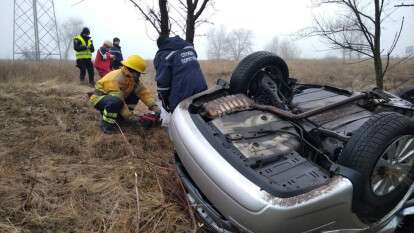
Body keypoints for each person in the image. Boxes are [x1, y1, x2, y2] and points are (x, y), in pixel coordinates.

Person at [89, 55, 161, 134]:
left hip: (115, 99)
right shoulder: (115, 79)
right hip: (99, 99)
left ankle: (121, 119)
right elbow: (119, 98)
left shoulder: (132, 78)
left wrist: (153, 106)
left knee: (135, 95)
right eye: (138, 73)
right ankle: (106, 125)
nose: (139, 75)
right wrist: (129, 116)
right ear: (132, 70)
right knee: (115, 102)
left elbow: (143, 92)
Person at [154, 35, 207, 113]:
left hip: (182, 93)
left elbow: (163, 84)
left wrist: (165, 103)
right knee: (201, 112)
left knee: (181, 115)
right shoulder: (188, 48)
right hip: (202, 87)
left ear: (160, 46)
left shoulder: (163, 55)